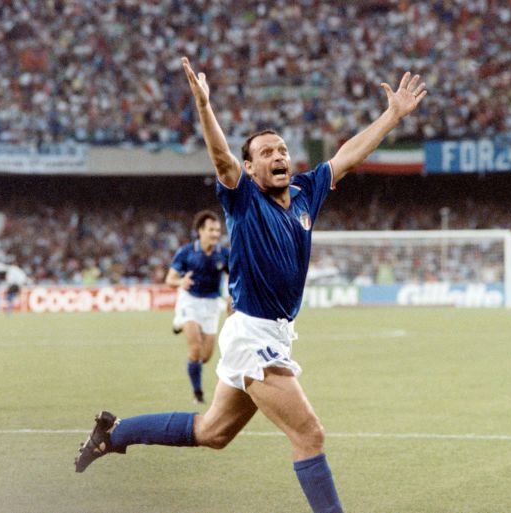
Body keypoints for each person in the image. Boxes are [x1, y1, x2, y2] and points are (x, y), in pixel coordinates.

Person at [75, 56, 427, 513]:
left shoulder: (305, 193)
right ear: (250, 167)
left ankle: (114, 432)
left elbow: (347, 156)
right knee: (309, 434)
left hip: (274, 333)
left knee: (213, 433)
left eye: (281, 149)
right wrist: (205, 107)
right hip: (252, 336)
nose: (278, 156)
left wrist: (392, 116)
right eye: (266, 153)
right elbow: (221, 157)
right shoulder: (243, 200)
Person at [165, 209, 230, 405]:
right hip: (189, 301)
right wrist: (180, 282)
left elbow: (234, 276)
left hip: (211, 305)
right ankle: (198, 394)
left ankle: (179, 322)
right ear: (200, 231)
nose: (215, 234)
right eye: (211, 229)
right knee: (194, 350)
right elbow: (170, 279)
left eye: (218, 230)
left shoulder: (223, 254)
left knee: (205, 356)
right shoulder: (186, 252)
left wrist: (231, 296)